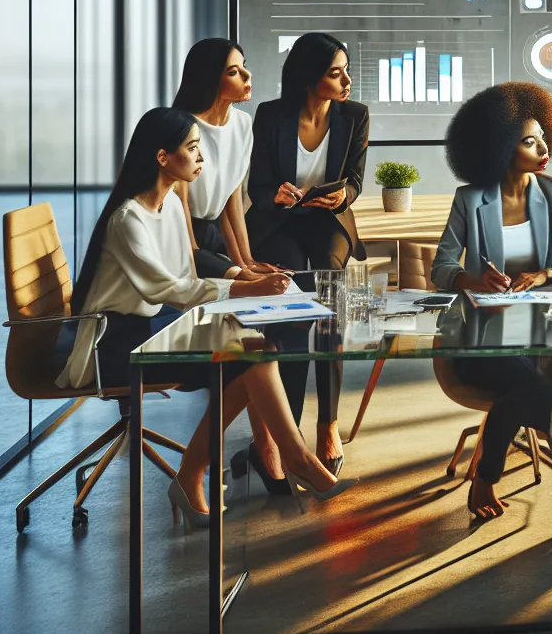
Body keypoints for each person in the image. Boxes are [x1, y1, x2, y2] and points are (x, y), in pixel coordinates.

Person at [57, 108, 350, 528]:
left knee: (253, 351)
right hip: (113, 343)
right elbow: (167, 289)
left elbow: (188, 280)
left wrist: (246, 286)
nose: (201, 158)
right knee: (248, 358)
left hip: (153, 325)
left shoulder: (172, 207)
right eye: (192, 148)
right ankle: (288, 460)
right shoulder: (127, 219)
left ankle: (221, 470)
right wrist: (246, 289)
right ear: (162, 157)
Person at [431, 83, 552, 530]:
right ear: (501, 146)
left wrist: (546, 274)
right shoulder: (470, 199)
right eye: (529, 141)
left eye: (543, 139)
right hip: (484, 334)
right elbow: (442, 266)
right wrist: (472, 279)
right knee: (537, 387)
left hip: (550, 331)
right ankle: (486, 477)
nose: (544, 150)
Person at [247, 32, 368, 475]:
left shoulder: (355, 115)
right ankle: (290, 429)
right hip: (280, 222)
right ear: (308, 76)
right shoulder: (271, 115)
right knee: (295, 294)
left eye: (346, 71)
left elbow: (355, 180)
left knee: (330, 290)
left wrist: (343, 196)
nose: (347, 81)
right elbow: (258, 187)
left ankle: (328, 422)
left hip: (327, 220)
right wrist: (276, 195)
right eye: (336, 73)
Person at [171, 39, 288, 281]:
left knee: (262, 279)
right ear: (210, 79)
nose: (247, 76)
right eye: (233, 72)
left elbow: (231, 198)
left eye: (244, 66)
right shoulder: (181, 127)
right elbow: (180, 206)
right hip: (178, 234)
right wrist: (230, 270)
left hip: (213, 231)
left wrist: (246, 262)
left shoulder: (242, 123)